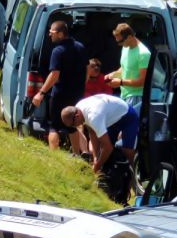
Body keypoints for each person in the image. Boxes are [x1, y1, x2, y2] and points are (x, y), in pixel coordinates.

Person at [30, 20, 87, 152]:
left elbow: (54, 74)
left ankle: (53, 155)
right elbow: (87, 68)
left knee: (54, 126)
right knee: (72, 125)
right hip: (77, 93)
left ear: (61, 34)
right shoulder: (80, 47)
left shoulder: (58, 51)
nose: (50, 35)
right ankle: (77, 155)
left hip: (60, 94)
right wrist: (82, 86)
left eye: (52, 33)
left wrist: (41, 93)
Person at [61, 94, 139, 174]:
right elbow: (92, 132)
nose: (75, 127)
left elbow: (108, 147)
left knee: (127, 151)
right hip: (111, 118)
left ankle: (132, 179)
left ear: (77, 116)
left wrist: (96, 167)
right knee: (104, 154)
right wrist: (95, 157)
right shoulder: (78, 108)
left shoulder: (94, 117)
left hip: (128, 116)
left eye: (73, 125)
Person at [104, 23, 151, 112]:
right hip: (124, 95)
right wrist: (113, 75)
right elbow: (124, 67)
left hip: (136, 97)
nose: (119, 44)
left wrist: (120, 82)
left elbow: (142, 81)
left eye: (120, 41)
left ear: (129, 37)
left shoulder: (143, 54)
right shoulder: (126, 48)